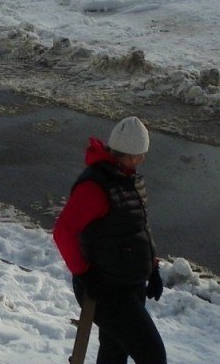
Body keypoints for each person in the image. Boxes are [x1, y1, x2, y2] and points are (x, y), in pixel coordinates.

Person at [53, 117, 166, 364]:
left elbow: (135, 230)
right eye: (141, 154)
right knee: (153, 356)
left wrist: (152, 267)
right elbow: (63, 232)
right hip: (105, 289)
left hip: (129, 283)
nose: (143, 159)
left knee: (114, 354)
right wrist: (85, 274)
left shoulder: (129, 179)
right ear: (133, 155)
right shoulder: (95, 186)